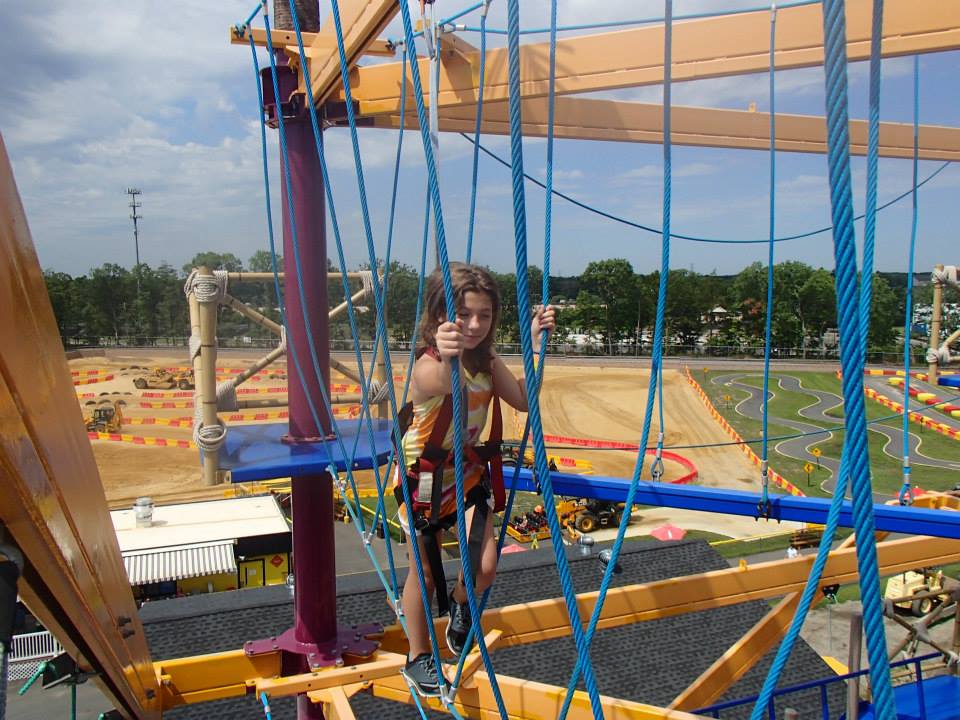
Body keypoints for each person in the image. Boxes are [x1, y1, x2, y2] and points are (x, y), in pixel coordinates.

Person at [396, 262, 555, 697]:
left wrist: (535, 346)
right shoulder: (429, 365)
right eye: (463, 315)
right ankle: (417, 656)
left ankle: (461, 604)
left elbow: (522, 399)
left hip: (464, 476)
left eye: (484, 316)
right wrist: (446, 350)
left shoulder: (487, 361)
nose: (474, 325)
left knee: (484, 568)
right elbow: (443, 382)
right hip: (423, 480)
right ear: (441, 316)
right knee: (424, 574)